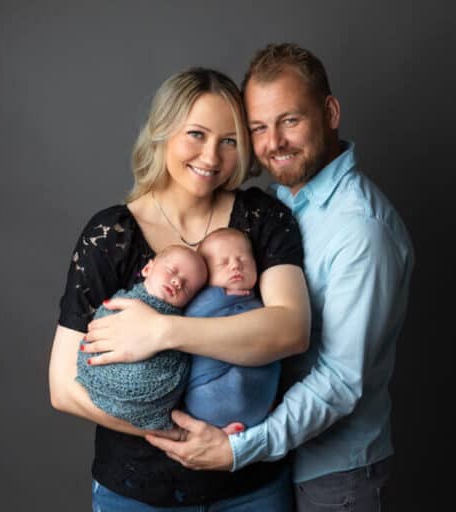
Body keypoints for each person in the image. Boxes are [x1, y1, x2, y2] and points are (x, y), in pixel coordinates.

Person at [145, 44, 414, 511]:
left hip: (336, 475)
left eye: (290, 121)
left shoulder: (360, 231)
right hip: (281, 462)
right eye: (258, 128)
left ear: (330, 113)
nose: (274, 143)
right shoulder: (281, 205)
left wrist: (239, 448)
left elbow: (340, 381)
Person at [48, 67, 311, 509]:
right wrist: (181, 435)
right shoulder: (111, 235)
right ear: (162, 131)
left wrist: (163, 332)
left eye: (229, 141)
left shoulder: (261, 218)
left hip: (251, 489)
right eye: (196, 134)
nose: (211, 156)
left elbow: (291, 329)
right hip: (136, 493)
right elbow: (63, 387)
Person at [76, 245, 208, 430]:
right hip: (102, 378)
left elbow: (181, 355)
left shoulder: (181, 324)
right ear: (147, 268)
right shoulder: (123, 300)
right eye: (172, 271)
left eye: (187, 287)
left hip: (153, 396)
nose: (177, 282)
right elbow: (101, 325)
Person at [183, 227, 280, 429]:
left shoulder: (266, 298)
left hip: (259, 400)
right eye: (223, 263)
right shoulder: (201, 301)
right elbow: (187, 324)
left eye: (244, 260)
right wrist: (220, 296)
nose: (236, 265)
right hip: (207, 391)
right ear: (205, 274)